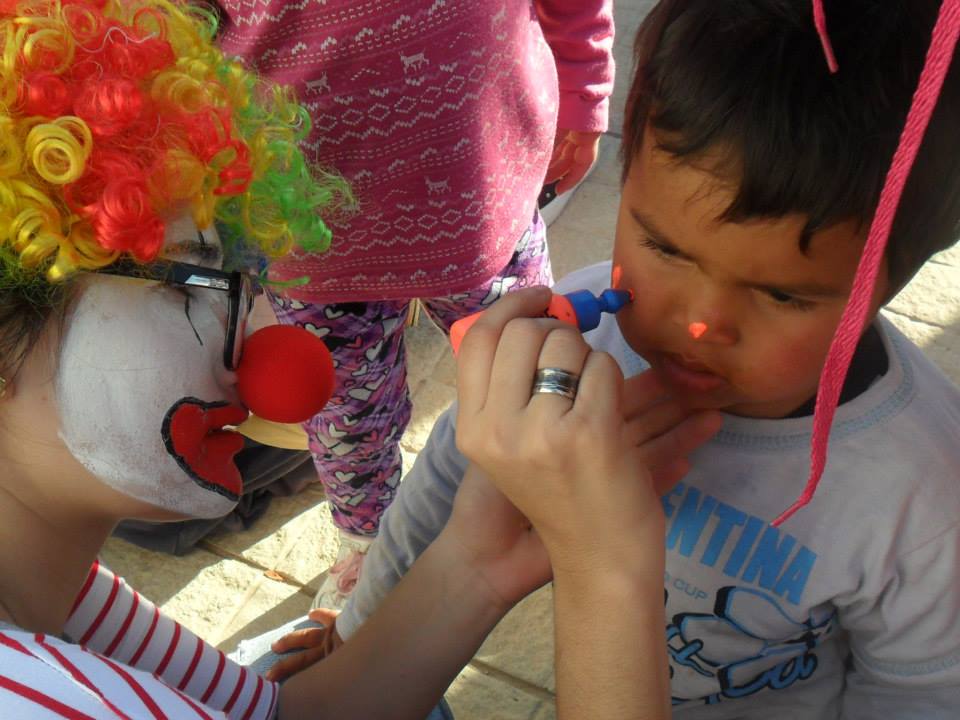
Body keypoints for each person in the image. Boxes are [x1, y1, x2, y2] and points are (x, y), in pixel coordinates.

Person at [0, 2, 717, 717]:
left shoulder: (64, 588)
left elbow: (286, 715)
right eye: (193, 278)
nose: (269, 343)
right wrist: (606, 569)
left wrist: (478, 558)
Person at [269, 0, 960, 717]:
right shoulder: (572, 333)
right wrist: (360, 632)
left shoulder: (924, 495)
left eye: (784, 295)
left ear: (903, 275)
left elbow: (922, 693)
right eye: (663, 247)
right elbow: (448, 488)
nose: (699, 325)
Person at [211, 0, 616, 608]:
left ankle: (544, 490)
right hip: (307, 220)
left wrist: (583, 92)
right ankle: (373, 543)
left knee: (528, 359)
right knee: (349, 420)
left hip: (483, 182)